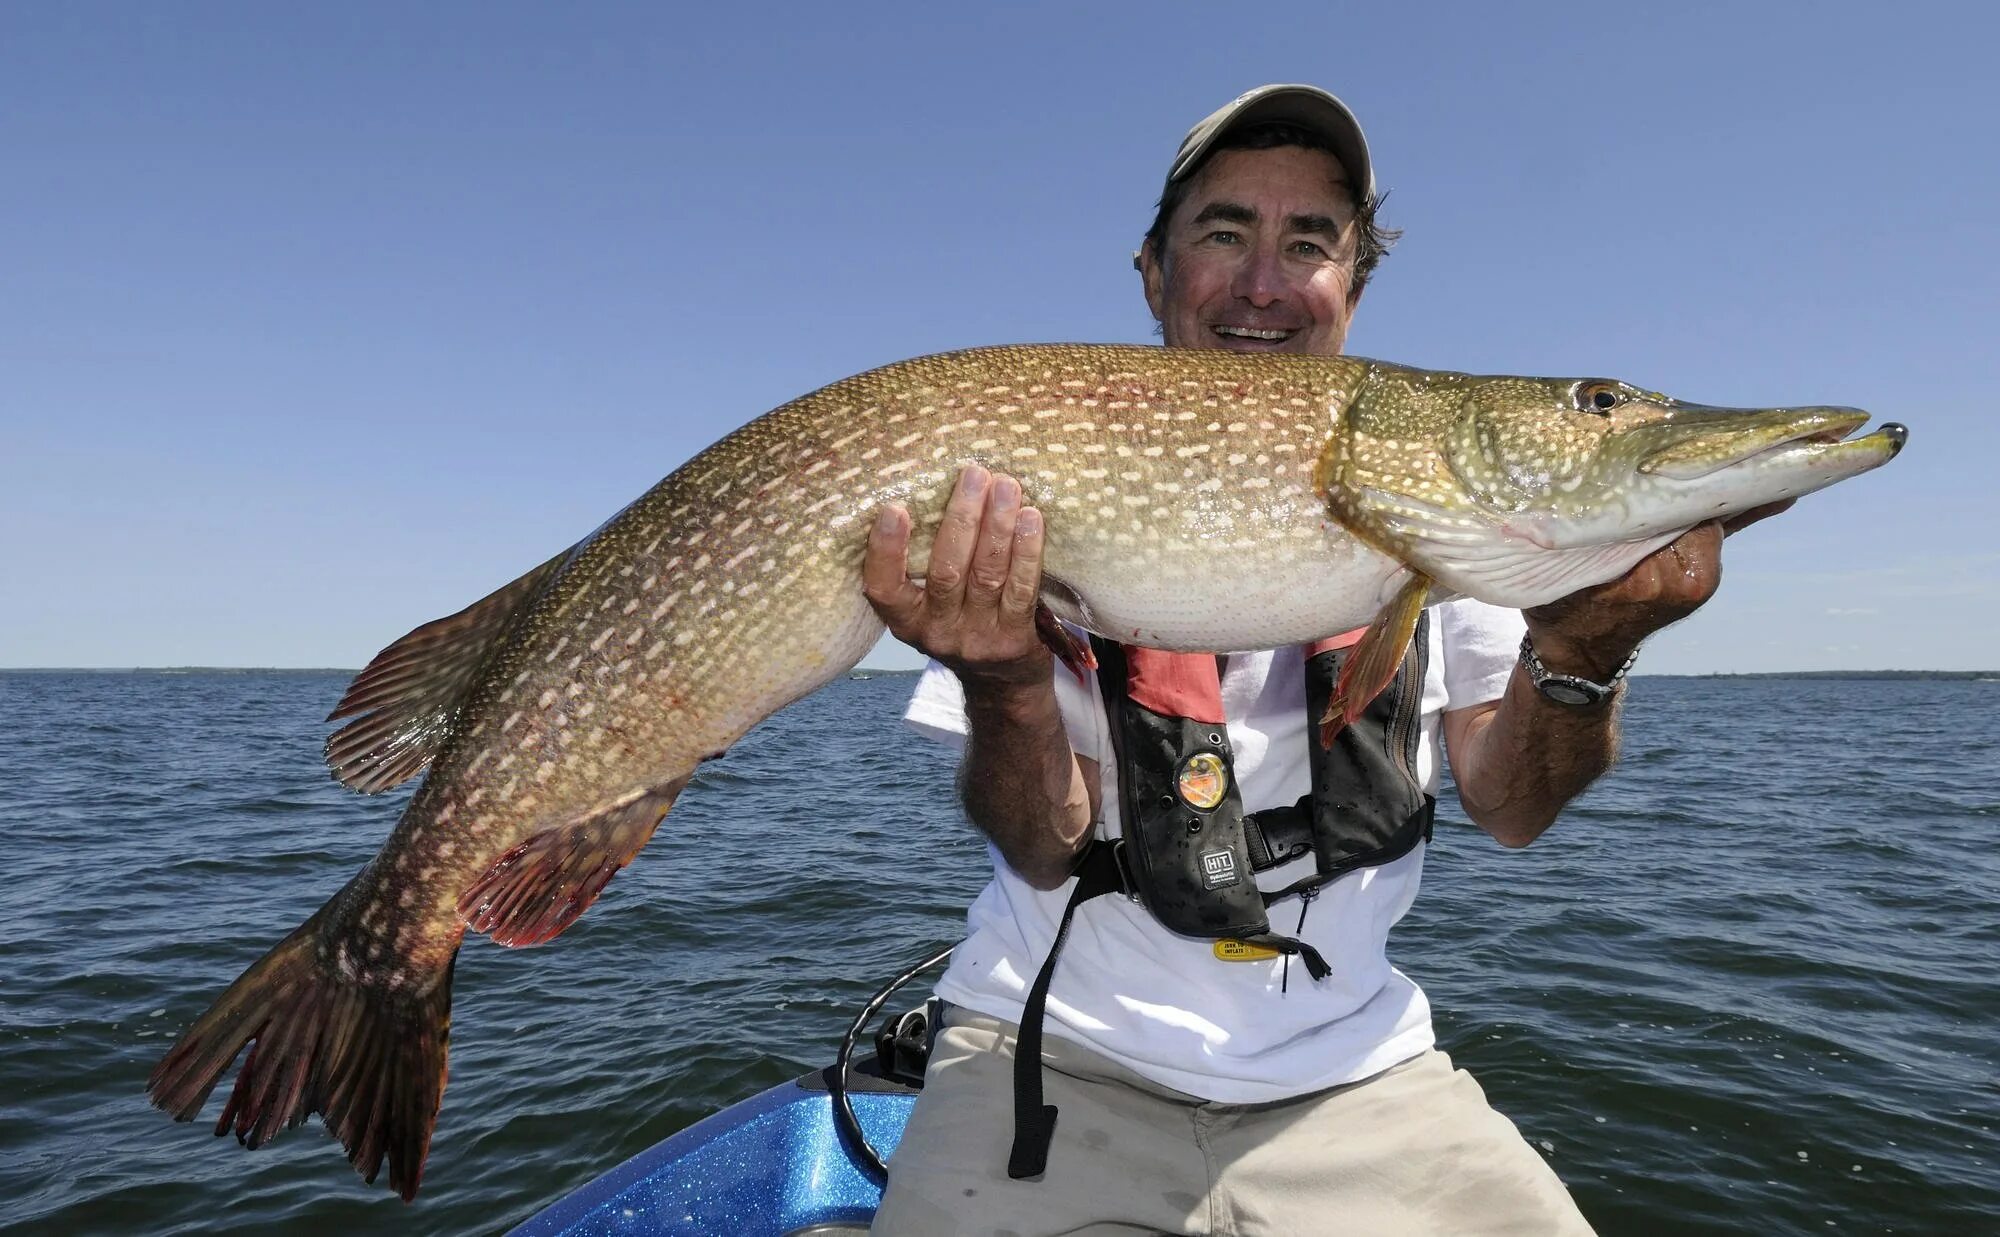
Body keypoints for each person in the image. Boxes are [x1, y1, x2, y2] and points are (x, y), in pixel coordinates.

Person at [861, 84, 1771, 1237]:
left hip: (1357, 1078)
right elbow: (1040, 843)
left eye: (1309, 244)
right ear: (1151, 271)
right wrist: (1001, 680)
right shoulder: (1029, 480)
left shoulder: (1454, 517)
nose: (1263, 281)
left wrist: (1583, 655)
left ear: (1351, 287)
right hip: (1048, 1057)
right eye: (1224, 232)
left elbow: (1513, 806)